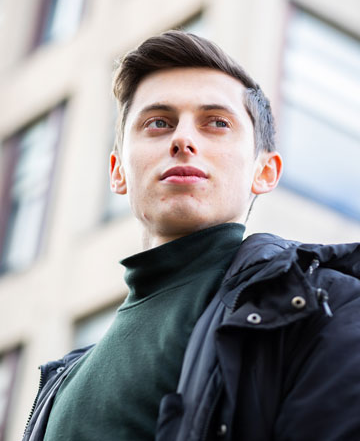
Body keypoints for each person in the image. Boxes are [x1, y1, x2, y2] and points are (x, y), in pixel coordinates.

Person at [23, 31, 360, 441]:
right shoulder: (63, 380)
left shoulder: (324, 306)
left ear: (264, 171)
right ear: (118, 171)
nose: (183, 140)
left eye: (217, 123)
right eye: (158, 123)